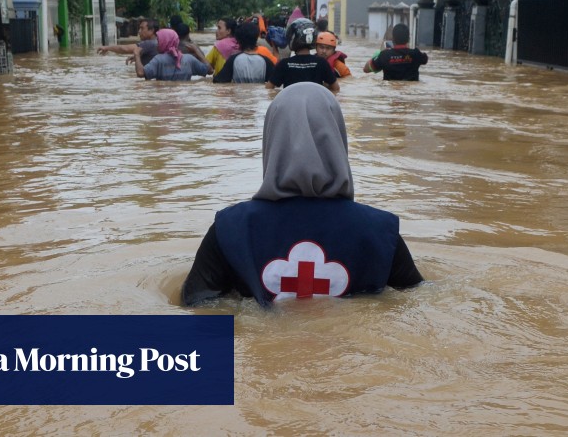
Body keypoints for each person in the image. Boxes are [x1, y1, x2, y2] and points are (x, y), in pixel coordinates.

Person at [180, 82, 425, 306]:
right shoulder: (381, 230)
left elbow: (195, 306)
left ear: (271, 138)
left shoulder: (230, 227)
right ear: (338, 137)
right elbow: (419, 301)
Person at [267, 18, 339, 93]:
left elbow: (268, 89)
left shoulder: (284, 64)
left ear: (293, 38)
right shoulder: (322, 63)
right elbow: (336, 88)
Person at [135, 28, 212, 81]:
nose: (157, 44)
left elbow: (140, 73)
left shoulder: (158, 59)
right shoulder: (189, 59)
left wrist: (137, 56)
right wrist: (196, 51)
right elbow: (210, 70)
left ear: (165, 42)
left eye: (159, 40)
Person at [362, 23, 427, 81]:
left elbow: (366, 69)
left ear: (393, 39)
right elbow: (425, 59)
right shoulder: (416, 54)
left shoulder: (384, 55)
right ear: (408, 39)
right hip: (410, 93)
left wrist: (378, 54)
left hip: (391, 93)